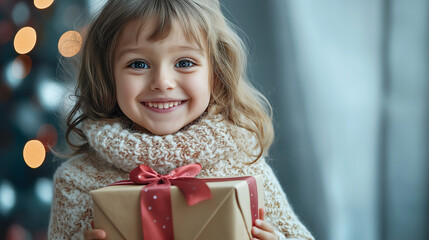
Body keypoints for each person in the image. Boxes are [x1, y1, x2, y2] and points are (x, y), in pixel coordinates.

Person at [48, 0, 314, 239]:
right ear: (107, 78)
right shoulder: (76, 182)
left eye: (184, 62)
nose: (162, 82)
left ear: (216, 73)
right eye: (138, 64)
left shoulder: (245, 166)